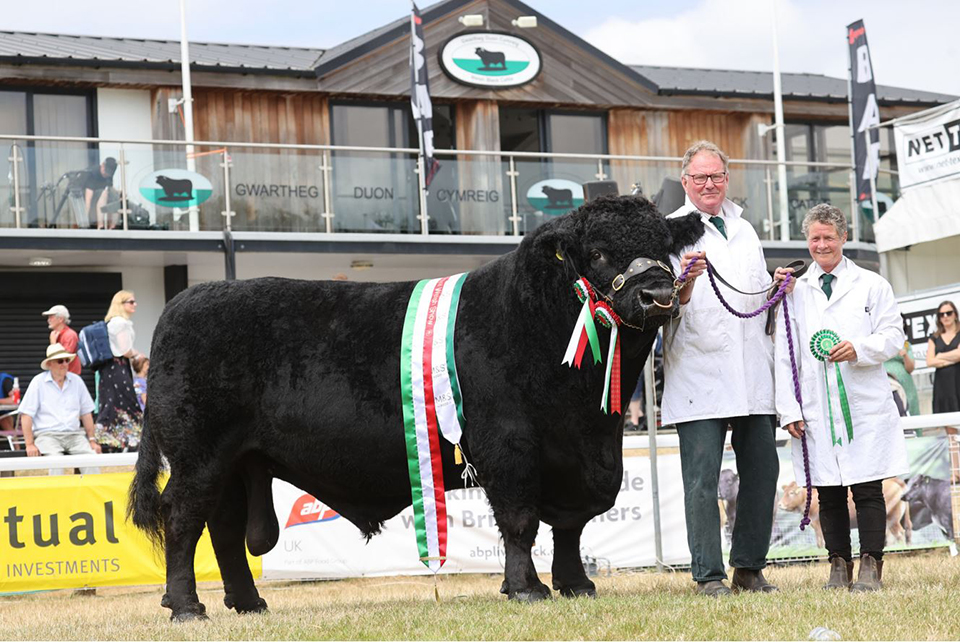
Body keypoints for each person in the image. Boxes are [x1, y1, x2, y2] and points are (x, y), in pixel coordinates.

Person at [662, 140, 779, 596]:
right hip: (699, 370)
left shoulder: (745, 229)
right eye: (699, 177)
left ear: (726, 179)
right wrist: (685, 283)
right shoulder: (669, 231)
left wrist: (776, 289)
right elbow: (662, 305)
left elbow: (753, 295)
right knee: (702, 478)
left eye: (716, 176)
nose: (709, 184)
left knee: (762, 471)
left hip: (752, 370)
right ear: (686, 182)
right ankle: (708, 575)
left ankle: (748, 568)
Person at [774, 204, 907, 592]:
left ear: (843, 238)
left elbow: (893, 336)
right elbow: (785, 352)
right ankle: (837, 564)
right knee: (827, 488)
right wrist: (789, 409)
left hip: (861, 400)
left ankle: (870, 564)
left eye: (828, 237)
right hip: (814, 403)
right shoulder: (795, 291)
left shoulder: (872, 284)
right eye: (814, 238)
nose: (821, 245)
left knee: (867, 486)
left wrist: (860, 349)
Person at [19, 343, 101, 474]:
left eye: (66, 360)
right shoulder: (37, 382)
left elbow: (86, 413)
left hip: (75, 435)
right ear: (50, 364)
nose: (64, 364)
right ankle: (57, 495)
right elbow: (26, 415)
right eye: (60, 361)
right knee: (56, 464)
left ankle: (89, 494)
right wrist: (29, 444)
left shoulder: (77, 381)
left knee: (92, 462)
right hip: (47, 436)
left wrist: (92, 440)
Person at [95, 290, 143, 451]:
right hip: (118, 368)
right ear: (120, 304)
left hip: (110, 370)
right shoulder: (120, 323)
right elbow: (124, 349)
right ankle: (130, 441)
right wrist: (136, 354)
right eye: (131, 301)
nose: (135, 304)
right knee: (126, 403)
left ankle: (112, 441)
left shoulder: (112, 322)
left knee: (111, 403)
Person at [926, 301, 960, 413]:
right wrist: (952, 360)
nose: (945, 316)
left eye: (948, 313)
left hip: (958, 380)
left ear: (955, 314)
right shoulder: (934, 338)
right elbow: (930, 361)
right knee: (948, 422)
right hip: (943, 385)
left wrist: (940, 356)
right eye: (942, 314)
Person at [884, 316, 918, 416]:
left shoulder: (906, 344)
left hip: (905, 386)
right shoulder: (879, 343)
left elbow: (910, 368)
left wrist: (905, 355)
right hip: (887, 385)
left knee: (910, 411)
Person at [42, 304, 81, 376]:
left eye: (51, 317)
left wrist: (53, 344)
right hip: (59, 376)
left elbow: (63, 359)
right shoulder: (56, 334)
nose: (48, 320)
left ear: (60, 319)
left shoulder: (70, 335)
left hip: (69, 377)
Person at [81, 157, 118, 229]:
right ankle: (100, 225)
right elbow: (87, 201)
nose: (106, 175)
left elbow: (110, 189)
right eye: (105, 172)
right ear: (103, 165)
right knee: (104, 193)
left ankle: (113, 226)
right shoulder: (92, 174)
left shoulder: (109, 176)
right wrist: (84, 223)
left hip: (102, 202)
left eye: (108, 174)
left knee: (115, 195)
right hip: (91, 201)